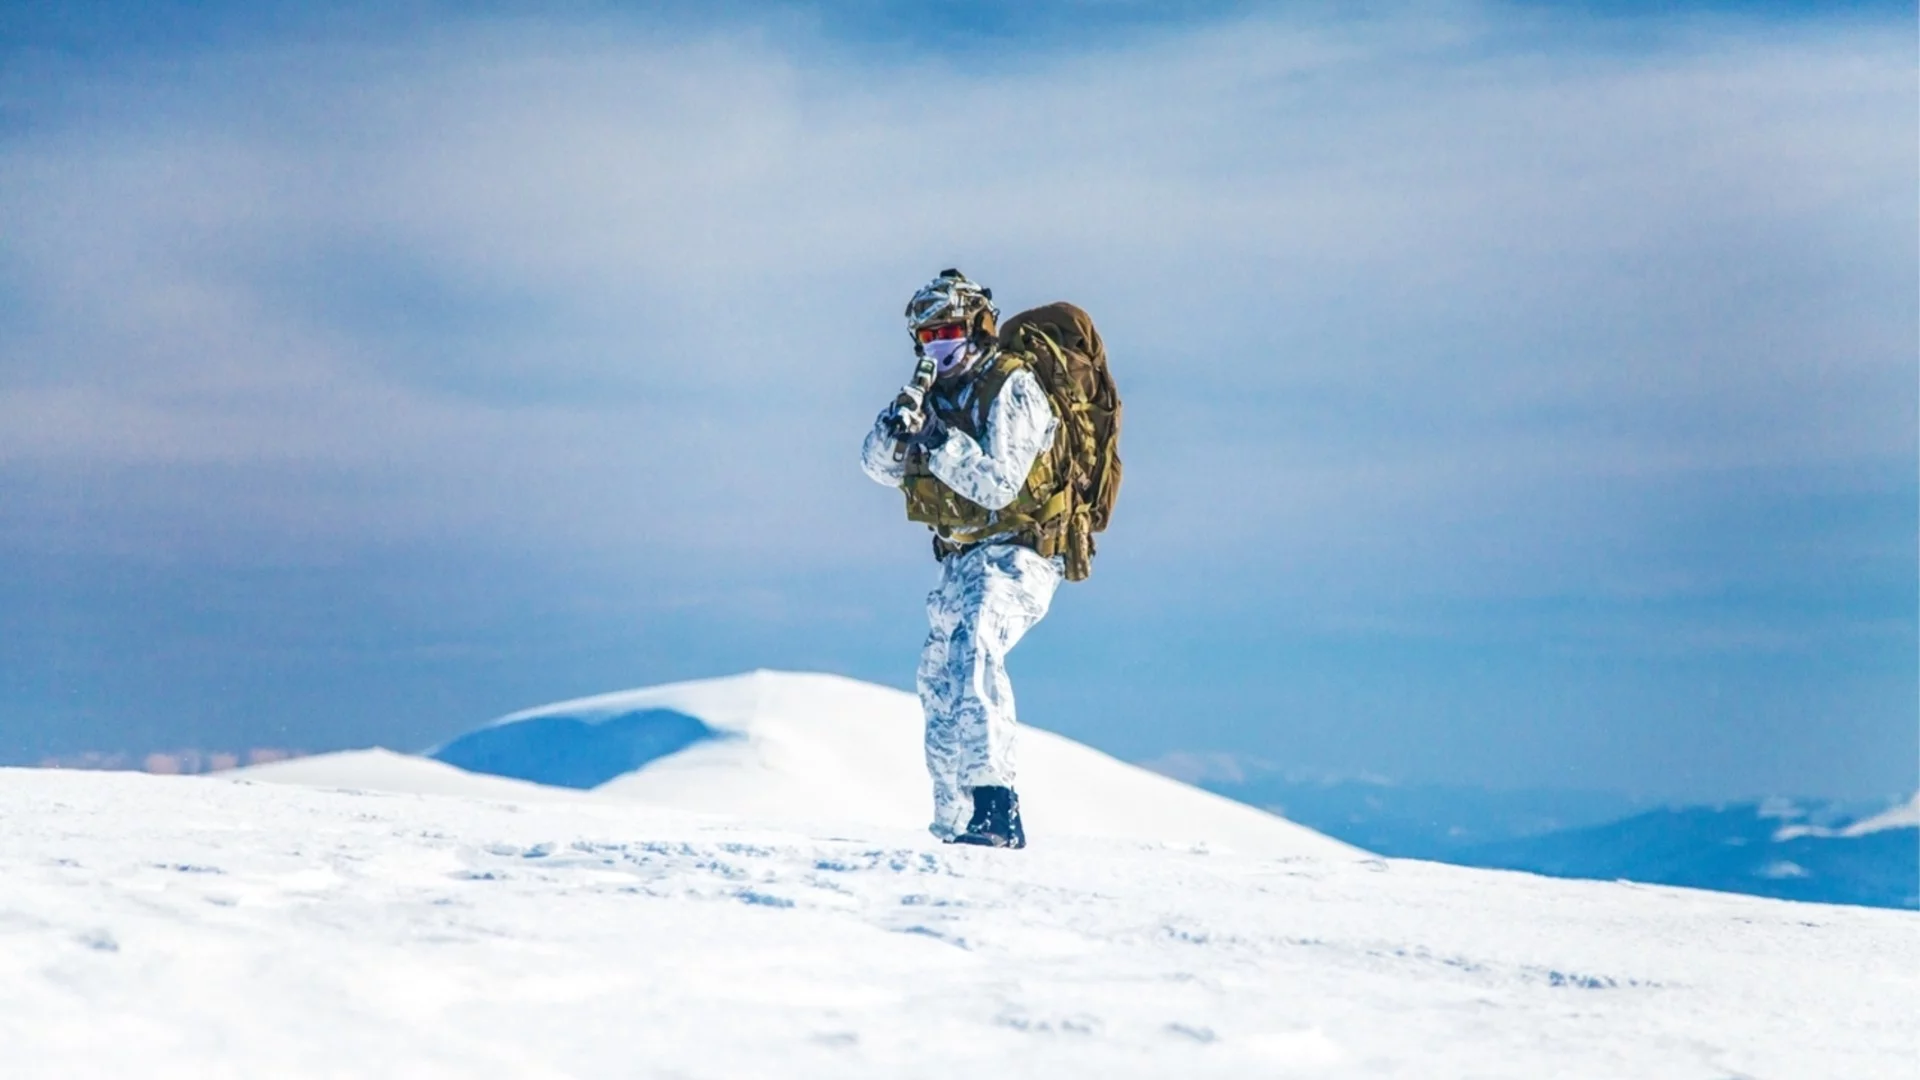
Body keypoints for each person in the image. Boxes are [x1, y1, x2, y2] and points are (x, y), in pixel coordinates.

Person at [860, 270, 1065, 849]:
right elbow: (876, 467)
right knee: (938, 681)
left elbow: (1001, 484)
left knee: (976, 646)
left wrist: (939, 441)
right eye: (927, 338)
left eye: (948, 332)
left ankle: (996, 809)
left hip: (1019, 553)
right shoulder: (934, 395)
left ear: (976, 329)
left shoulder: (1013, 387)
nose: (938, 347)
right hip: (961, 559)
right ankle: (952, 822)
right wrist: (897, 430)